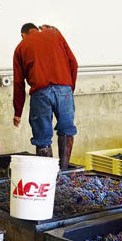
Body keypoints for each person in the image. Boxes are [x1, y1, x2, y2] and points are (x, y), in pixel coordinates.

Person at [12, 23, 78, 168]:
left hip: (40, 94)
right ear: (36, 29)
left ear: (23, 34)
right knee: (67, 130)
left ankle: (49, 174)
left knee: (42, 138)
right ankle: (64, 171)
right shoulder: (55, 34)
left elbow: (18, 82)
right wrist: (69, 89)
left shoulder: (21, 47)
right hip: (64, 90)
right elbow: (73, 63)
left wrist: (18, 112)